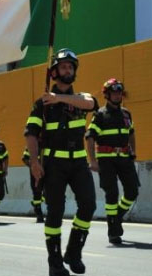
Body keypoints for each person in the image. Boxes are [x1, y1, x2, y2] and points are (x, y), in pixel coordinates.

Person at [25, 49, 97, 276]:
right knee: (55, 212)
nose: (68, 70)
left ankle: (73, 253)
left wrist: (60, 98)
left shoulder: (79, 99)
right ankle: (54, 263)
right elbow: (31, 134)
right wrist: (35, 163)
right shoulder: (42, 104)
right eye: (64, 67)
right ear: (54, 72)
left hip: (78, 164)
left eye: (71, 67)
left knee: (88, 206)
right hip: (54, 164)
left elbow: (92, 103)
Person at [86, 78, 139, 245]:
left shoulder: (126, 114)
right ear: (107, 95)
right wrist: (92, 161)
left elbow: (131, 133)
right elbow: (89, 138)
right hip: (106, 160)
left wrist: (133, 151)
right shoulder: (100, 115)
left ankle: (116, 217)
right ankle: (113, 230)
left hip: (124, 158)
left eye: (119, 92)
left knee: (132, 192)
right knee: (112, 194)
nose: (117, 95)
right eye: (114, 93)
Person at [22, 148, 45, 223]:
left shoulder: (48, 144)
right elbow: (25, 159)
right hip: (35, 175)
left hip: (47, 173)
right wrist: (33, 166)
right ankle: (39, 214)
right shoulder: (32, 146)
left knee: (48, 192)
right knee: (37, 193)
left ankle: (35, 204)